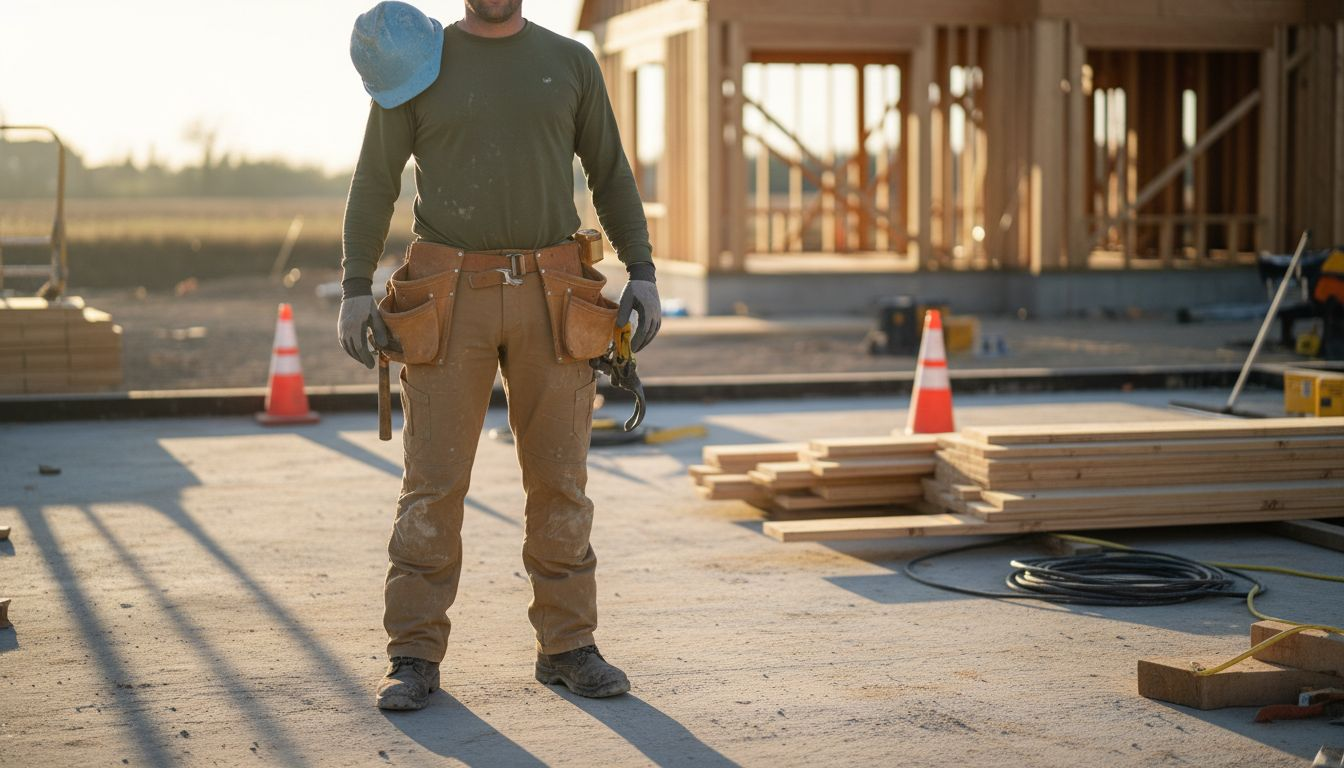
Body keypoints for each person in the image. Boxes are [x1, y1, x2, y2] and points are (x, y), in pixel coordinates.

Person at [338, 0, 661, 711]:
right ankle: (413, 654)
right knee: (432, 485)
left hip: (555, 290)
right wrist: (355, 287)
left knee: (561, 481)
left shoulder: (570, 63)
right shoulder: (419, 63)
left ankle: (568, 646)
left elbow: (610, 172)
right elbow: (375, 177)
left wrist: (641, 270)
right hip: (448, 294)